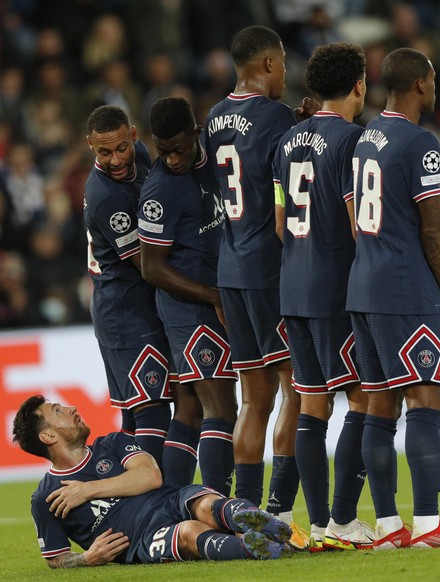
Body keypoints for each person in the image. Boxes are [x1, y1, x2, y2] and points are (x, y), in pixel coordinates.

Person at [348, 47, 440, 550]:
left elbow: (353, 216)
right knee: (426, 398)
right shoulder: (419, 142)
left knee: (378, 406)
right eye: (431, 79)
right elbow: (433, 226)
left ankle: (389, 529)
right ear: (418, 85)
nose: (434, 86)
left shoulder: (365, 137)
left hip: (362, 286)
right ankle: (429, 525)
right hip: (405, 287)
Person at [204, 24, 318, 547]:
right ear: (269, 65)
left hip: (229, 269)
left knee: (254, 399)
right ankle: (277, 514)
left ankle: (245, 519)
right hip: (269, 271)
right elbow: (282, 193)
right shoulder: (273, 116)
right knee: (297, 389)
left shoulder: (212, 119)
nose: (286, 78)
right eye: (285, 68)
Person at [271, 42, 373, 551]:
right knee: (362, 397)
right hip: (336, 288)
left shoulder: (285, 142)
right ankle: (344, 520)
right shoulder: (355, 141)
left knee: (312, 405)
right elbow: (360, 224)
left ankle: (316, 526)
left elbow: (278, 222)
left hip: (292, 287)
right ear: (358, 85)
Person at [11, 394, 291, 568]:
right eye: (58, 411)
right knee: (188, 532)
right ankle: (255, 546)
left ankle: (259, 524)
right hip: (141, 538)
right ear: (48, 437)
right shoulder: (45, 499)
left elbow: (151, 476)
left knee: (207, 504)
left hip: (170, 498)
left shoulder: (113, 443)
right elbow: (56, 558)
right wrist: (86, 558)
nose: (71, 408)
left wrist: (88, 490)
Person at [84, 105, 199, 483]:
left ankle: (130, 506)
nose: (115, 160)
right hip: (125, 313)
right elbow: (147, 266)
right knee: (151, 411)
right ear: (90, 147)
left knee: (135, 415)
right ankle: (153, 504)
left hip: (135, 309)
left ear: (134, 136)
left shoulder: (145, 157)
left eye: (120, 148)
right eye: (104, 152)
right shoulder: (106, 198)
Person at [138, 96, 239, 494]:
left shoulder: (215, 155)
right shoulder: (160, 191)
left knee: (191, 408)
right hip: (189, 308)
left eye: (179, 150)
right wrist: (211, 295)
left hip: (216, 297)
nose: (172, 160)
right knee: (221, 407)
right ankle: (220, 507)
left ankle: (170, 503)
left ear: (196, 135)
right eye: (163, 152)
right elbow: (152, 267)